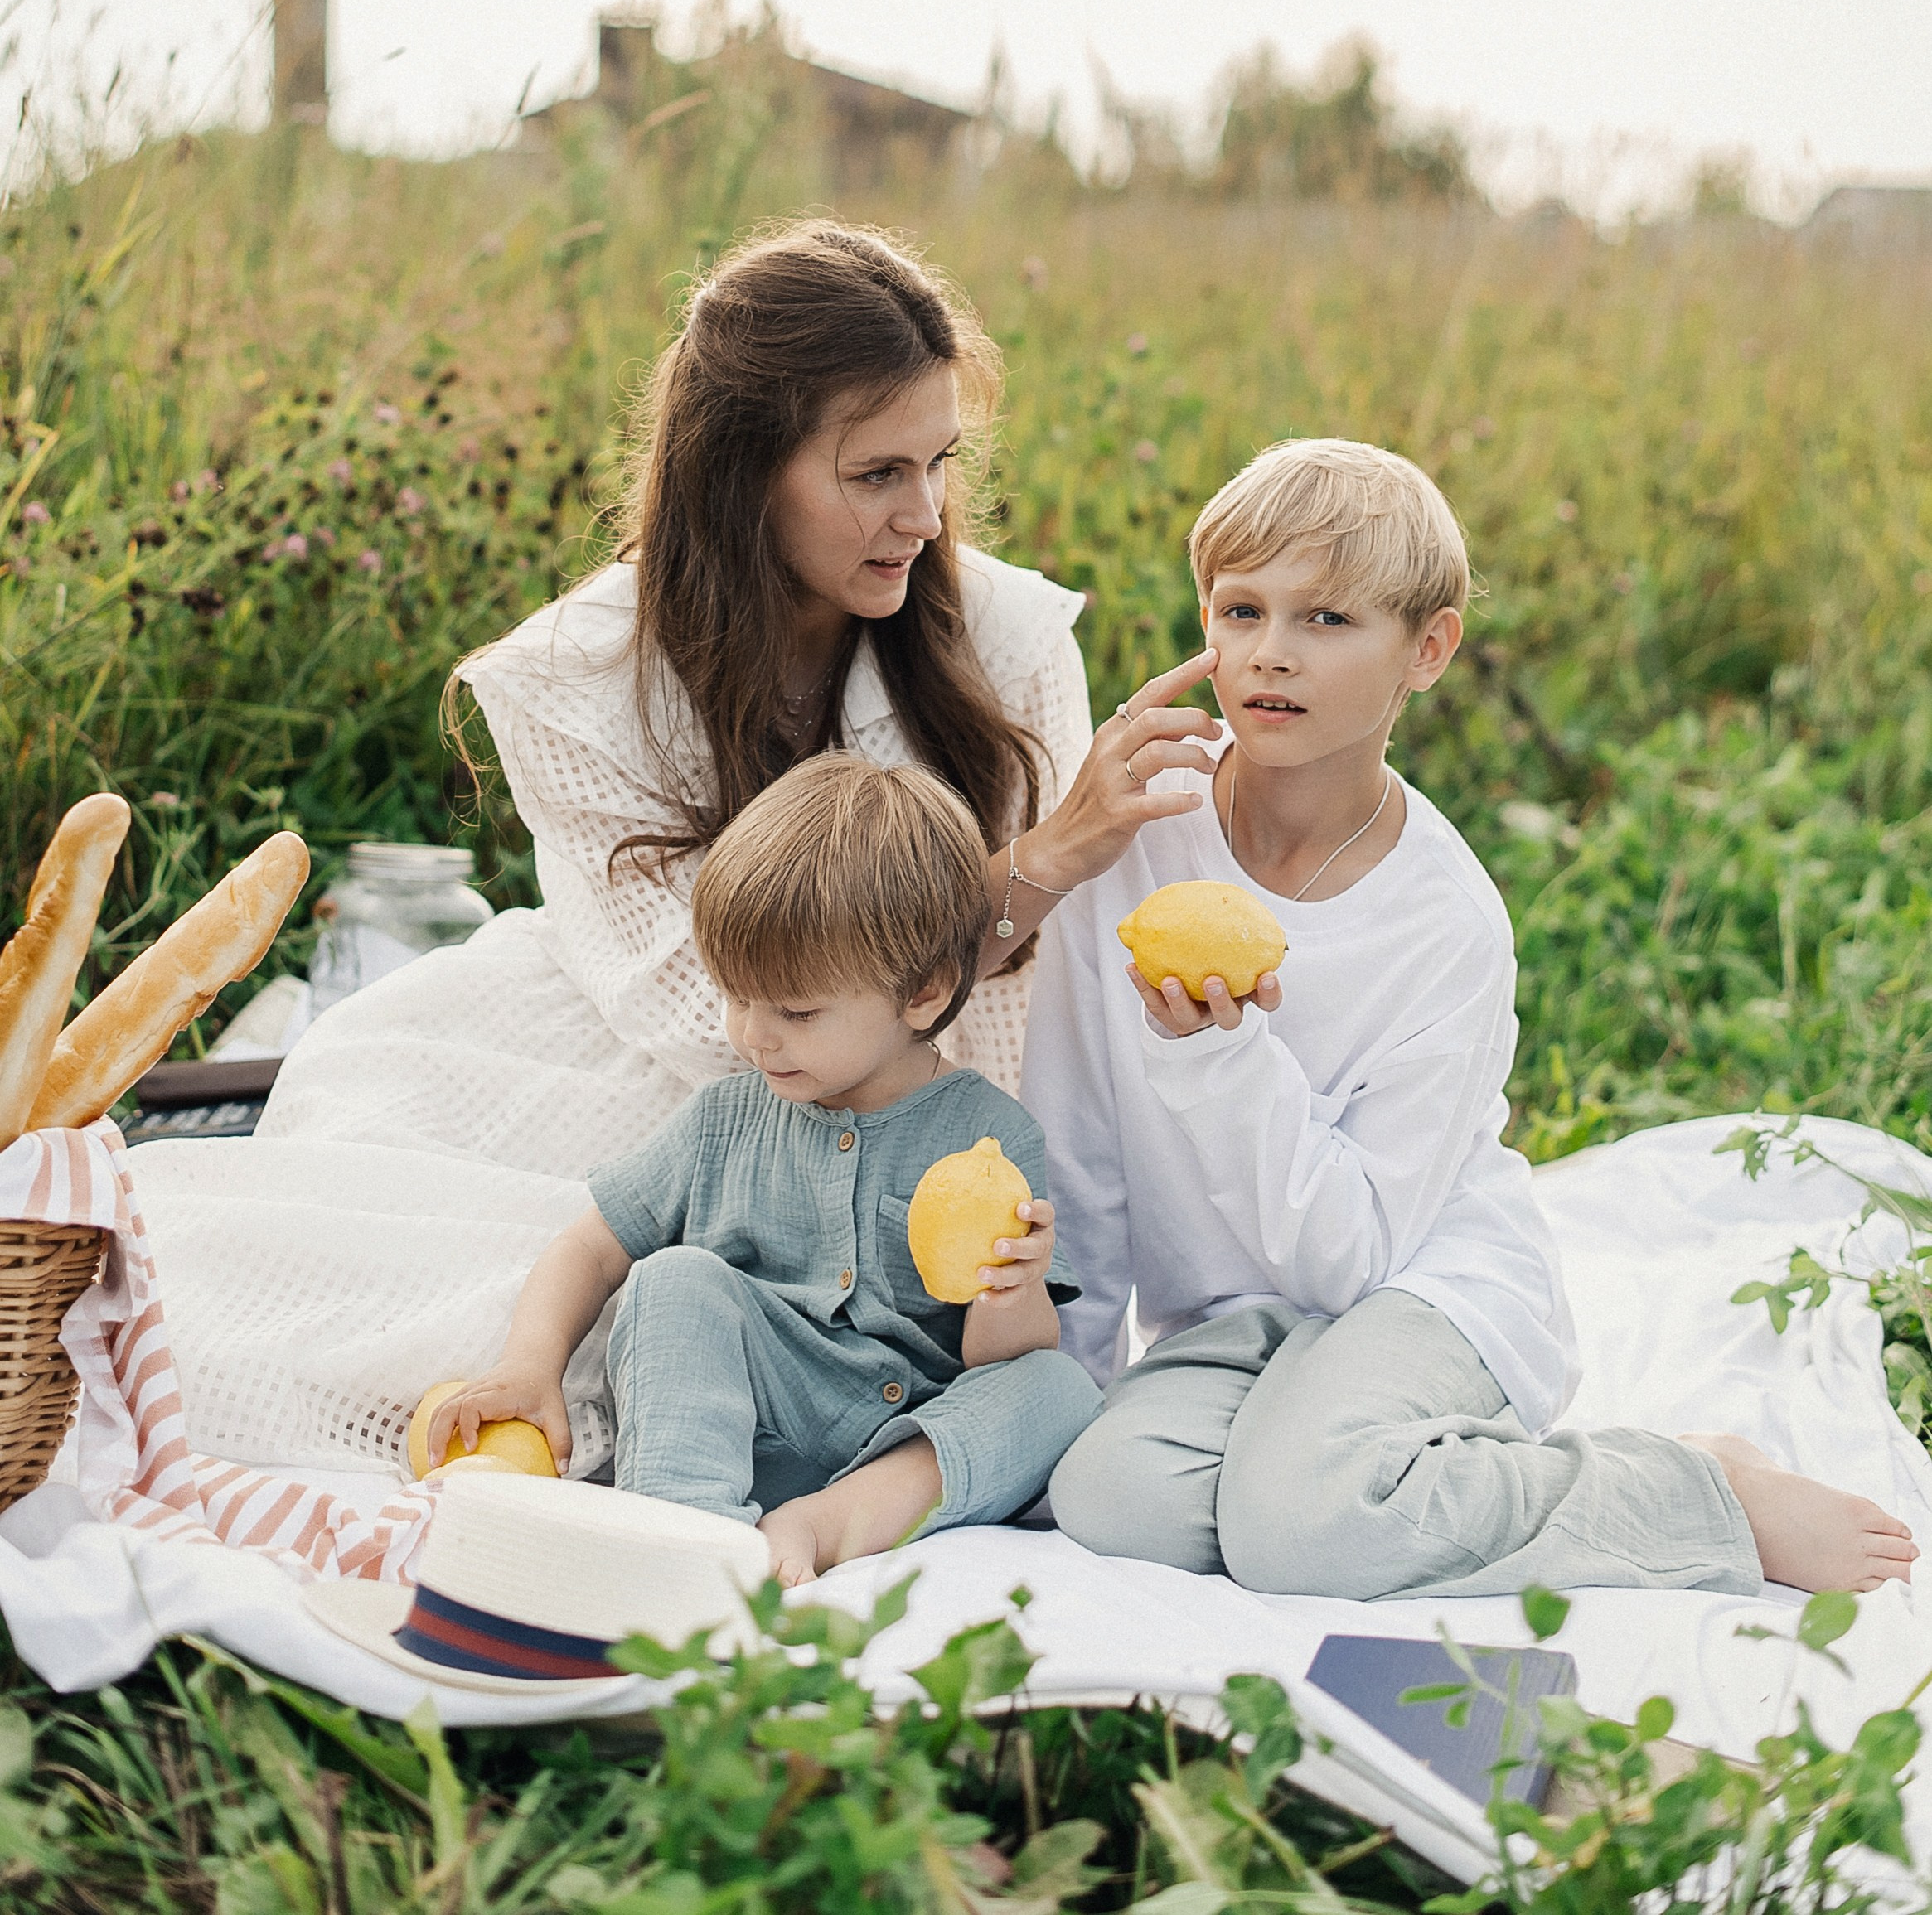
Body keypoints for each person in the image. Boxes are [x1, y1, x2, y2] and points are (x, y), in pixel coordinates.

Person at [132, 220, 1217, 1473]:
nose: (922, 516)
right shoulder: (577, 680)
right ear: (744, 470)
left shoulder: (1008, 640)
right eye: (874, 474)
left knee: (985, 1371)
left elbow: (1041, 1010)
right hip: (670, 1073)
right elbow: (719, 1021)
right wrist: (1030, 870)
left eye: (938, 465)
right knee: (418, 1295)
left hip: (938, 1096)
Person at [1026, 437, 1919, 1601]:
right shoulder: (1137, 833)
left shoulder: (1443, 920)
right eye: (1239, 610)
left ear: (1427, 648)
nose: (1268, 655)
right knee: (1111, 1500)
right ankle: (1329, 1461)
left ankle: (1690, 1487)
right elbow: (1079, 1147)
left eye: (1327, 620)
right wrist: (1071, 1387)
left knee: (1298, 1532)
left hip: (1420, 1285)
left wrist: (1217, 1052)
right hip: (1236, 1322)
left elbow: (1351, 1251)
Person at [428, 755, 1100, 1583]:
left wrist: (1012, 1290)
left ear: (923, 992)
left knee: (1060, 1388)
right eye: (736, 994)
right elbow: (592, 1246)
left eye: (796, 1009)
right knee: (672, 1278)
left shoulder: (990, 1138)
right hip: (751, 1427)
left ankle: (825, 1524)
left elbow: (995, 1365)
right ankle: (684, 1534)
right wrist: (529, 1362)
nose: (755, 1034)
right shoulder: (725, 1118)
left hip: (901, 1445)